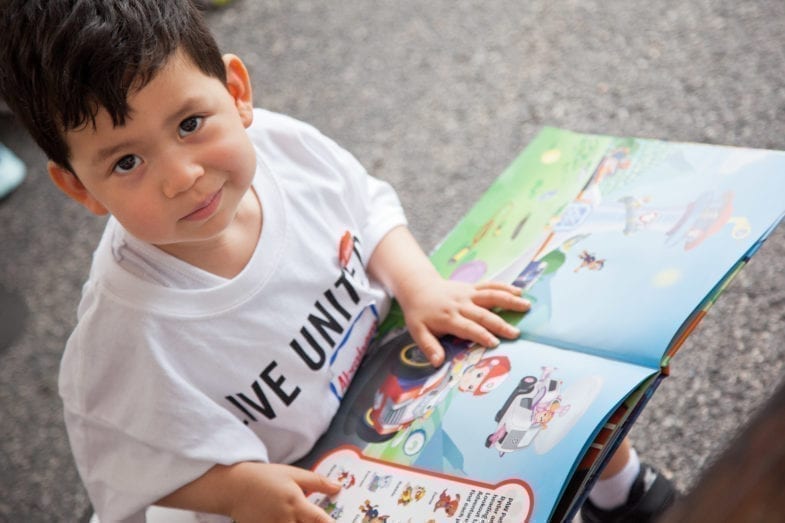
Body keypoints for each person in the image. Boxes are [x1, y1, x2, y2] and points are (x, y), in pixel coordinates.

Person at [0, 2, 674, 522]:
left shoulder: (287, 150)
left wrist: (418, 284)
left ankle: (620, 490)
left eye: (188, 123)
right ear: (79, 187)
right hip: (291, 478)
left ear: (236, 92)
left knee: (536, 357)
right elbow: (136, 469)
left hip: (390, 373)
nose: (181, 176)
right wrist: (237, 489)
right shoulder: (123, 342)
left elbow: (367, 207)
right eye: (126, 161)